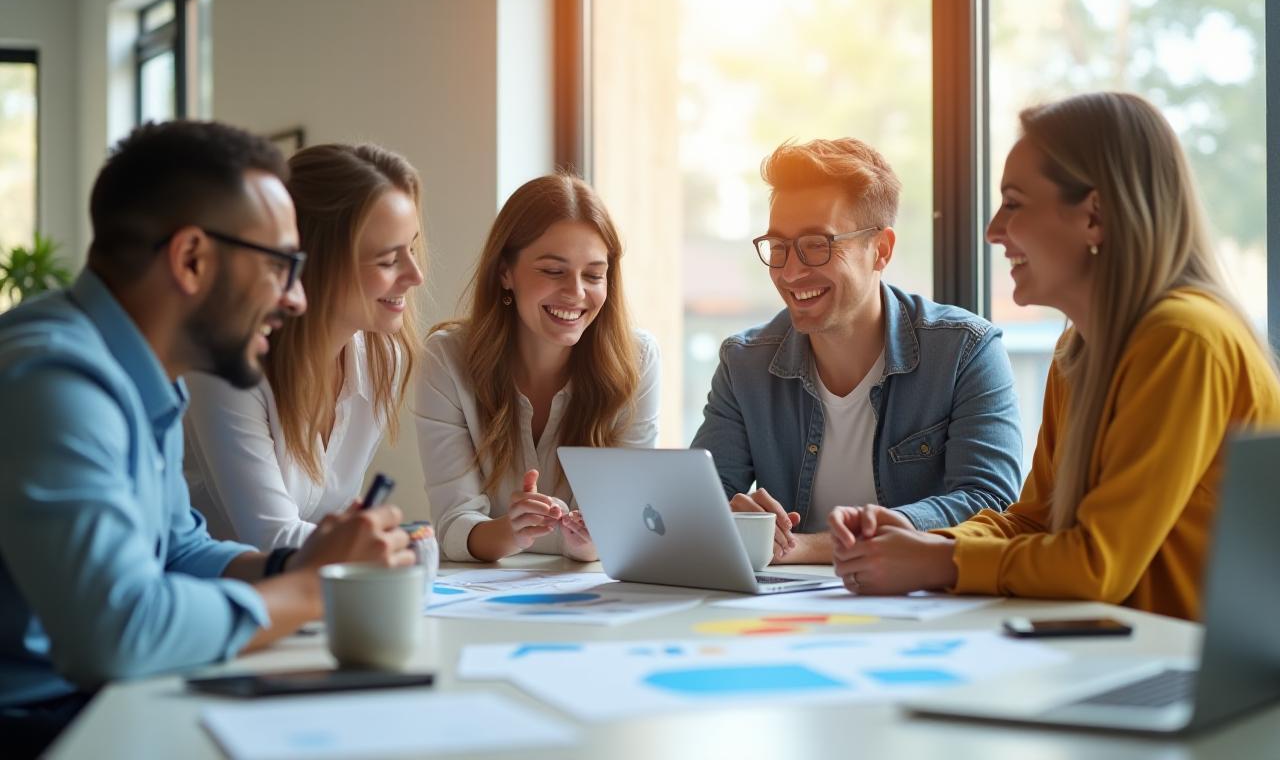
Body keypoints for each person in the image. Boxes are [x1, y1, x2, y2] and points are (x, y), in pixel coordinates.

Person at [0, 121, 414, 757]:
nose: (297, 299)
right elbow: (118, 631)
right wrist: (308, 589)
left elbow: (179, 548)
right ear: (191, 259)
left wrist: (292, 565)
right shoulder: (55, 379)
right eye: (281, 267)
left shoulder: (142, 372)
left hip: (93, 701)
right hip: (37, 720)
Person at [829, 92, 1280, 621]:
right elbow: (1037, 521)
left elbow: (1097, 565)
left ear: (1095, 215)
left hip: (1201, 682)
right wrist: (915, 538)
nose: (993, 231)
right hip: (1130, 655)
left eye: (1014, 203)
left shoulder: (1184, 339)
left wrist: (940, 560)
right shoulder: (1080, 347)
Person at [691, 138, 1023, 565]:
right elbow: (702, 502)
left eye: (816, 244)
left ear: (881, 250)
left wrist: (809, 547)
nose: (791, 271)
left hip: (920, 604)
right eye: (778, 247)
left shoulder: (966, 351)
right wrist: (730, 517)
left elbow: (988, 501)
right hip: (781, 609)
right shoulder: (744, 364)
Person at [184, 143, 426, 549]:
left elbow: (332, 529)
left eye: (413, 249)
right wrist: (389, 544)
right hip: (224, 598)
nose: (415, 275)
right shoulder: (229, 368)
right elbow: (272, 539)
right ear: (314, 264)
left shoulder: (383, 359)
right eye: (388, 261)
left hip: (309, 597)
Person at [416, 173, 660, 562]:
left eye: (594, 275)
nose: (577, 293)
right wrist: (510, 532)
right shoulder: (446, 359)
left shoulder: (637, 360)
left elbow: (622, 525)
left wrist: (588, 543)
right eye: (553, 271)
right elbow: (452, 526)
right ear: (504, 272)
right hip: (482, 599)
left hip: (588, 595)